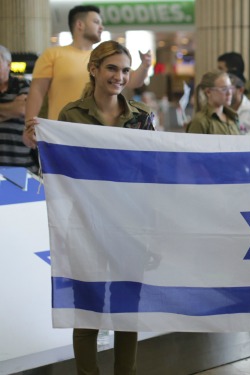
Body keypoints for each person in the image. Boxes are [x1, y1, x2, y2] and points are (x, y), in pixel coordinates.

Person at [26, 40, 154, 375]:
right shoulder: (71, 115)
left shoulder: (141, 118)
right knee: (87, 312)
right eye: (112, 68)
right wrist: (42, 141)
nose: (119, 76)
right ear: (94, 69)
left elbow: (154, 177)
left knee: (127, 312)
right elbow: (62, 171)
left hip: (131, 227)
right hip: (87, 226)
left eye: (125, 70)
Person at [23, 5, 150, 132]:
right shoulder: (53, 54)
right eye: (96, 22)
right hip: (61, 129)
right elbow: (37, 91)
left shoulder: (106, 57)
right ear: (80, 24)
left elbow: (132, 81)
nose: (101, 27)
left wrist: (144, 66)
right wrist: (29, 127)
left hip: (97, 128)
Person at [0, 44, 34, 171]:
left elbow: (22, 109)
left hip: (22, 164)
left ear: (8, 65)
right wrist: (11, 107)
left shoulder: (23, 84)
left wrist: (17, 108)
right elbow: (17, 109)